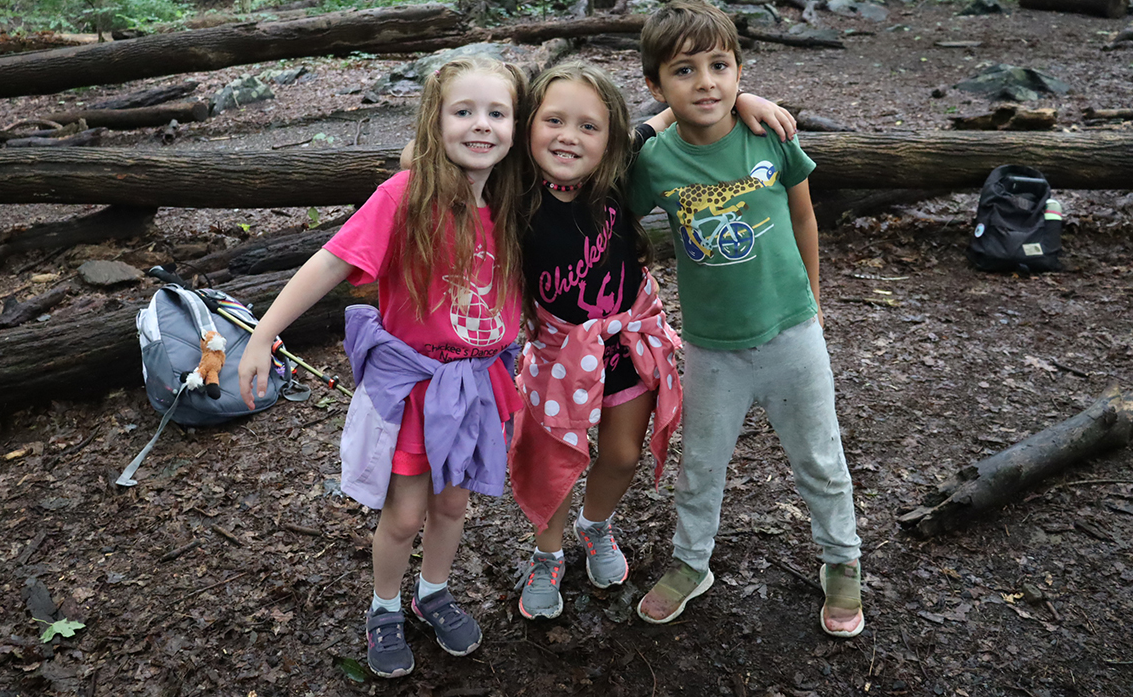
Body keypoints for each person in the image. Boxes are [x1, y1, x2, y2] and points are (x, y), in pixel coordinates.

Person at [238, 58, 527, 678]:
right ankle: (385, 605)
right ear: (435, 120)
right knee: (403, 513)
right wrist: (264, 332)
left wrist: (732, 106)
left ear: (515, 126)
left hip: (478, 383)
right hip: (417, 387)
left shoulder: (515, 201)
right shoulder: (405, 196)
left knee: (454, 506)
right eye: (463, 112)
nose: (481, 126)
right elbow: (332, 262)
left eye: (497, 113)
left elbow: (607, 139)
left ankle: (433, 594)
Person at [508, 61, 798, 620]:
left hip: (631, 341)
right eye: (554, 121)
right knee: (555, 459)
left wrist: (746, 100)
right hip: (558, 352)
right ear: (527, 127)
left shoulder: (621, 174)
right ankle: (548, 553)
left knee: (621, 453)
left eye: (589, 126)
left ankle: (595, 526)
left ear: (614, 138)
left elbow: (675, 109)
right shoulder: (512, 193)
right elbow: (427, 159)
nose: (570, 136)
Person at [627, 0, 865, 638]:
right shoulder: (654, 160)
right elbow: (607, 192)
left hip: (793, 333)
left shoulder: (770, 137)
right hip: (711, 346)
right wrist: (653, 126)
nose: (705, 82)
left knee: (820, 455)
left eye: (720, 66)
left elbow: (804, 217)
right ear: (655, 85)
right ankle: (690, 562)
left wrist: (812, 302)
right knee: (702, 461)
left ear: (738, 71)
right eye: (684, 71)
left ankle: (842, 560)